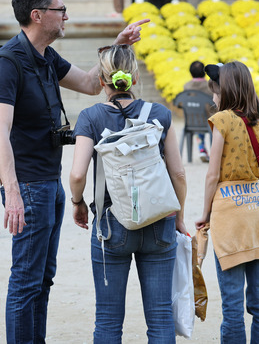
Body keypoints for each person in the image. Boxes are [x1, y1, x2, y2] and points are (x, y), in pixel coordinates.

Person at [0, 0, 147, 343]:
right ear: (37, 15)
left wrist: (118, 45)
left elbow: (92, 85)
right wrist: (11, 192)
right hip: (27, 186)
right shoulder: (8, 63)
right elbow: (0, 132)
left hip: (49, 184)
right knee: (25, 282)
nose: (67, 17)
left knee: (42, 280)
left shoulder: (45, 57)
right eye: (60, 11)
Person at [69, 44, 187, 342]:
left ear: (101, 81)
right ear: (135, 77)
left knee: (108, 320)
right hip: (159, 222)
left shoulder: (90, 117)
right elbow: (178, 173)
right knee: (160, 316)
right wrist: (179, 217)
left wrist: (78, 202)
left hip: (112, 225)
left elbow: (78, 174)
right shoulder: (160, 114)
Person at [195, 61, 259, 344]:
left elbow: (212, 175)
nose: (213, 97)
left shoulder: (222, 120)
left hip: (228, 213)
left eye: (216, 91)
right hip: (255, 212)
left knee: (232, 304)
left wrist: (204, 213)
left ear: (227, 91)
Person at [183, 60, 217, 161]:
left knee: (198, 118)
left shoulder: (186, 86)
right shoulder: (210, 85)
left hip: (192, 120)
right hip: (210, 120)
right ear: (204, 72)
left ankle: (202, 149)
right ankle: (214, 153)